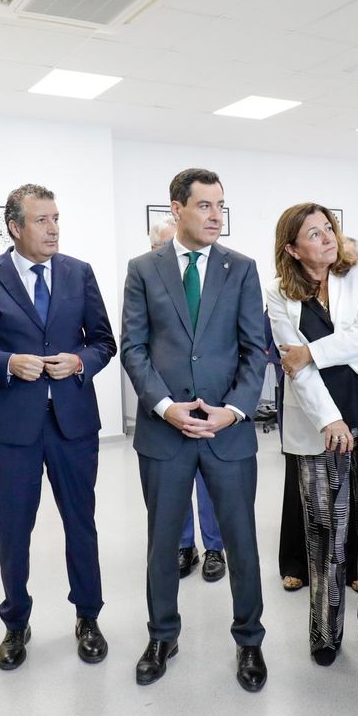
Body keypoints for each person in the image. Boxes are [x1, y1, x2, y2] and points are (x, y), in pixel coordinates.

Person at [0, 184, 117, 670]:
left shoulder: (78, 273)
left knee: (80, 523)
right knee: (13, 529)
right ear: (15, 227)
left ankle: (88, 617)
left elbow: (104, 342)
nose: (53, 229)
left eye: (56, 219)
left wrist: (79, 361)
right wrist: (8, 363)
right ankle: (15, 622)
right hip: (13, 429)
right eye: (42, 220)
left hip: (73, 424)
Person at [121, 167, 270, 692]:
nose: (215, 216)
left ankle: (249, 640)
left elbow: (255, 350)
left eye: (220, 206)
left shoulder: (241, 269)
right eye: (204, 205)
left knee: (240, 541)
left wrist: (236, 410)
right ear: (177, 208)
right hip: (165, 431)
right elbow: (133, 347)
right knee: (163, 542)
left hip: (227, 431)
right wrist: (165, 407)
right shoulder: (144, 269)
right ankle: (162, 635)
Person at [266, 203, 358, 669]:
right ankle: (325, 635)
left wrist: (311, 351)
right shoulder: (278, 292)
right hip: (319, 424)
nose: (328, 237)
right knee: (324, 534)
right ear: (292, 248)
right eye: (314, 233)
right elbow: (293, 367)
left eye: (328, 228)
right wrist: (329, 420)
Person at [150, 218, 226, 584]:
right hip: (167, 402)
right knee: (175, 483)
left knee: (210, 482)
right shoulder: (146, 279)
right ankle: (184, 546)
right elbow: (137, 345)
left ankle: (214, 548)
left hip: (211, 400)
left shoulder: (217, 275)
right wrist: (161, 402)